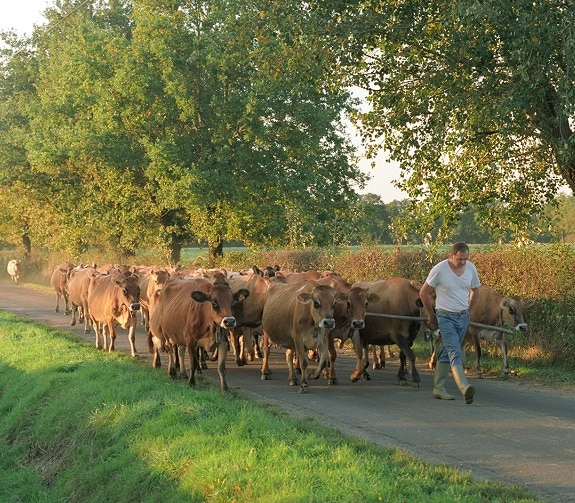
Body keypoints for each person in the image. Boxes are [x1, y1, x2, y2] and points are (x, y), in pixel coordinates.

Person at [419, 242, 480, 404]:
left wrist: (469, 312)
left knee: (447, 351)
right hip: (445, 317)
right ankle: (464, 387)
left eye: (465, 259)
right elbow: (423, 292)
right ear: (451, 256)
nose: (462, 262)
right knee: (454, 350)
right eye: (459, 259)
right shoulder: (439, 270)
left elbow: (475, 290)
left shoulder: (471, 268)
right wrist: (431, 314)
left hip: (462, 316)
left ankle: (438, 388)